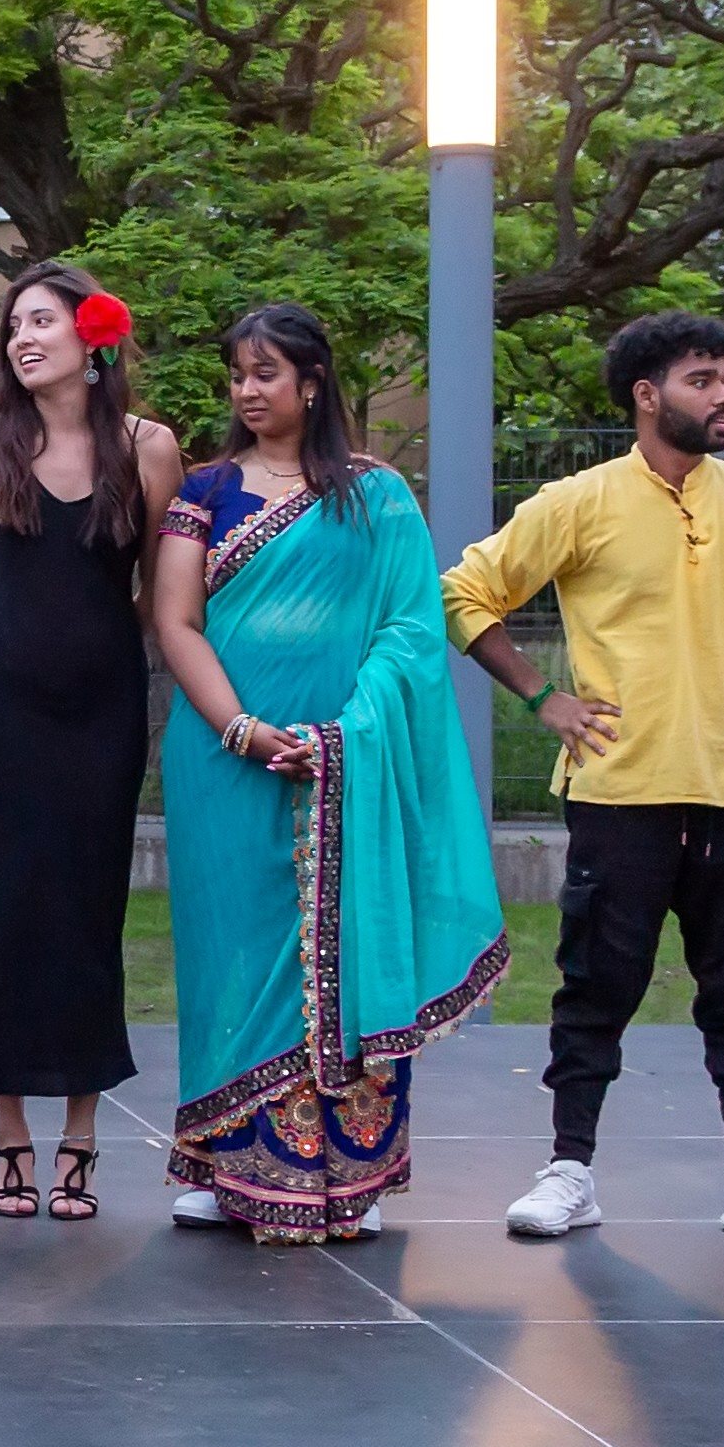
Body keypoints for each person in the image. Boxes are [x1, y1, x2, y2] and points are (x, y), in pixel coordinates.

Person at [444, 311, 724, 1250]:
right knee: (595, 987)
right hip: (619, 792)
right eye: (703, 379)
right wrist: (543, 697)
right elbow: (465, 592)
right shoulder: (579, 501)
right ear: (648, 394)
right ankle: (569, 1170)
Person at [150, 304, 509, 1242]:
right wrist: (239, 729)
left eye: (265, 372)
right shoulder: (205, 490)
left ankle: (355, 1169)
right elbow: (175, 621)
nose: (246, 389)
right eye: (237, 373)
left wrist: (343, 735)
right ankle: (227, 1159)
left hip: (345, 765)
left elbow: (410, 632)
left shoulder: (374, 494)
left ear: (312, 382)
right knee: (231, 953)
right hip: (222, 765)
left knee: (348, 944)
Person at [0, 263, 182, 1224]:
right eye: (14, 327)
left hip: (101, 709)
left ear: (94, 335)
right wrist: (26, 650)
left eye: (41, 320)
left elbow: (162, 588)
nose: (21, 339)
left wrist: (92, 651)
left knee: (89, 909)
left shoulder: (149, 448)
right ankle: (10, 1133)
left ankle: (82, 1132)